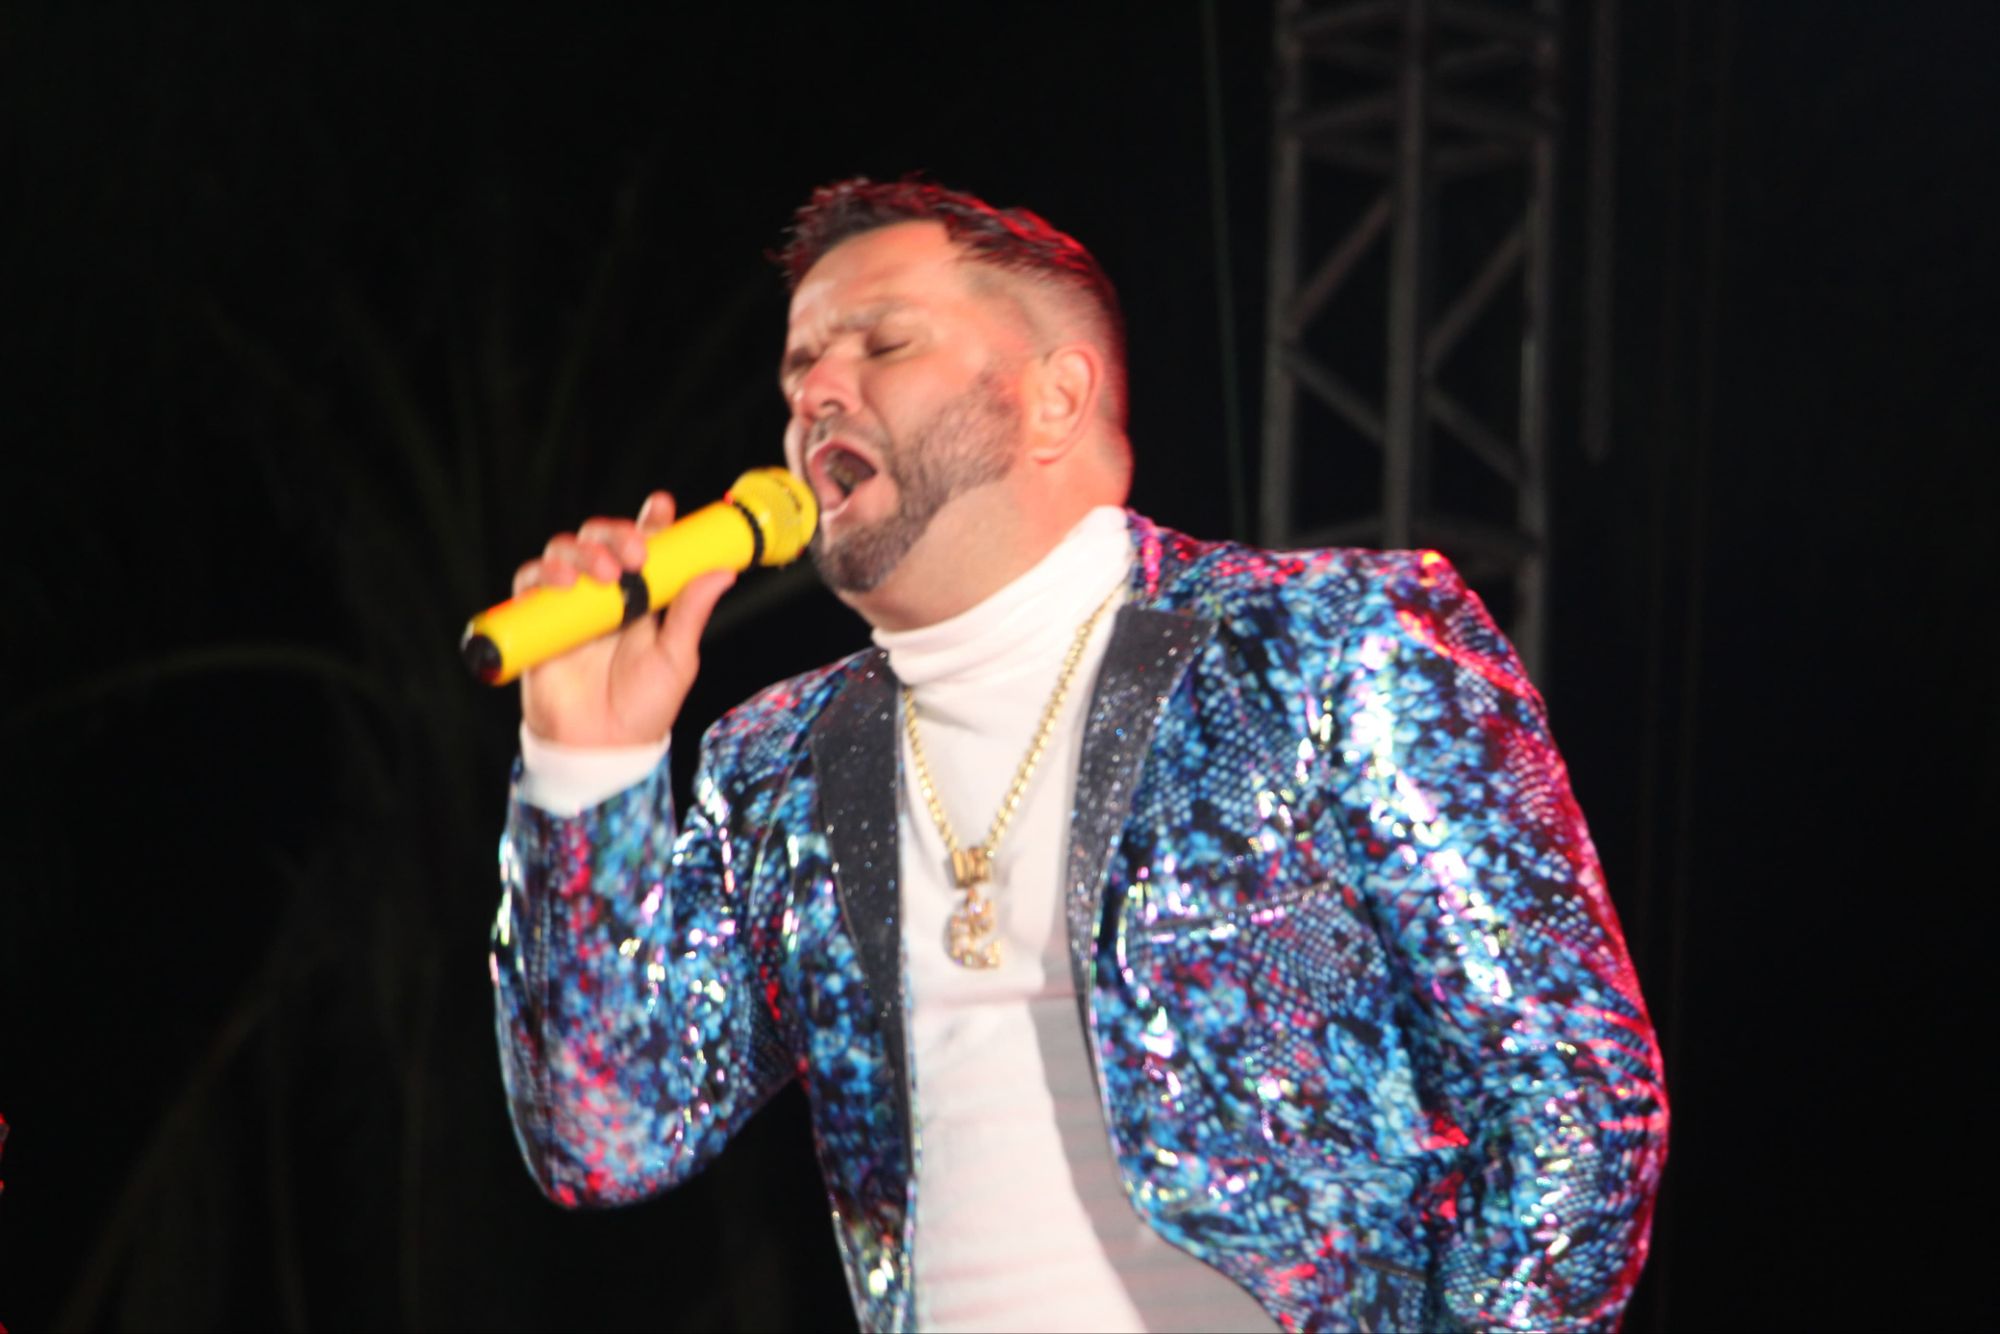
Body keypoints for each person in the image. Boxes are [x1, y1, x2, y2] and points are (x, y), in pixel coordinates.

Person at [489, 178, 1668, 1333]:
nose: (817, 394)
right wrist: (585, 762)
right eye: (799, 367)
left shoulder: (1323, 647)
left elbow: (1575, 1098)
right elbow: (604, 1136)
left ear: (1054, 399)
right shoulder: (776, 761)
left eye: (883, 344)